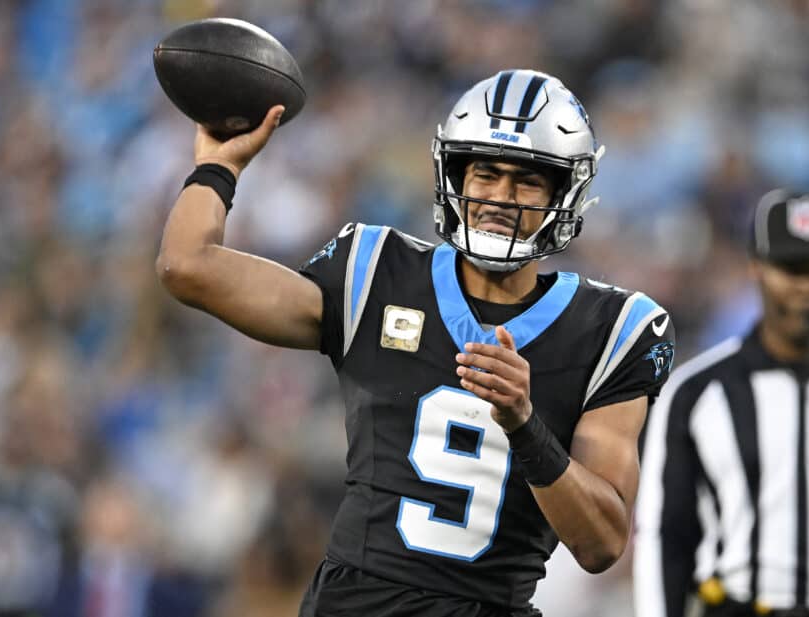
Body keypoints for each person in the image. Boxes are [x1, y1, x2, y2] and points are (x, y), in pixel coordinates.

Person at [157, 69, 676, 617]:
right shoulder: (376, 270)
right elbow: (186, 267)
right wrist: (218, 166)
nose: (501, 196)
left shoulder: (613, 329)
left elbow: (602, 544)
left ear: (562, 192)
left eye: (527, 180)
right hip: (355, 604)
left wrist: (526, 427)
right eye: (486, 173)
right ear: (454, 175)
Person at [633, 190, 809, 617]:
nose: (808, 286)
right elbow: (665, 534)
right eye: (792, 268)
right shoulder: (697, 393)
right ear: (756, 268)